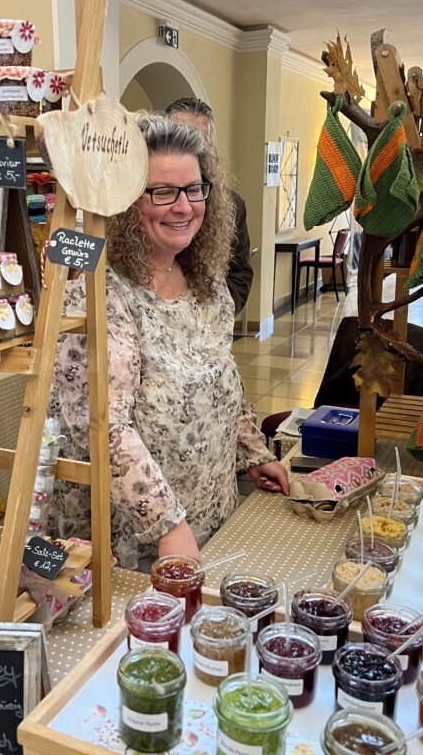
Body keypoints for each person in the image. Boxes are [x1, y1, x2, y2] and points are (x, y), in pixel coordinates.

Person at [46, 115, 289, 570]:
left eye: (194, 189)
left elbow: (222, 379)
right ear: (125, 202)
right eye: (162, 192)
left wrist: (252, 452)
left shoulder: (206, 283)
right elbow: (103, 427)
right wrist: (167, 525)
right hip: (139, 536)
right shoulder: (98, 293)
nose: (183, 207)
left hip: (210, 514)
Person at [165, 97, 254, 314]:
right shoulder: (137, 199)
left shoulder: (232, 206)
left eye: (198, 142)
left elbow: (239, 274)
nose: (189, 150)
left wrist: (215, 315)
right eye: (180, 139)